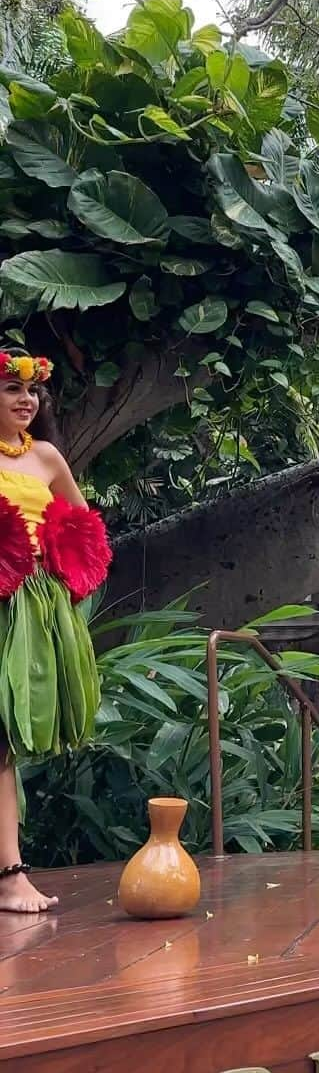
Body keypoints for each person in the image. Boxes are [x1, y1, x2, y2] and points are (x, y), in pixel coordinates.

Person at [0, 350, 111, 913]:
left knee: (2, 742)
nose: (26, 400)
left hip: (30, 607)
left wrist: (65, 575)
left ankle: (10, 873)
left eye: (33, 392)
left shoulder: (45, 457)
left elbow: (84, 524)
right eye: (10, 389)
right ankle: (10, 874)